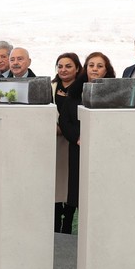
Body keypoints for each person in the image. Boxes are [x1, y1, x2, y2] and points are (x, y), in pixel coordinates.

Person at [53, 53, 82, 234]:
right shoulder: (51, 87)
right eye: (60, 66)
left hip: (74, 142)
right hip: (54, 143)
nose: (63, 69)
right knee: (56, 184)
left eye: (68, 66)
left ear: (77, 68)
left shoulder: (81, 88)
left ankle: (68, 223)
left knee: (71, 184)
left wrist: (69, 132)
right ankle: (55, 224)